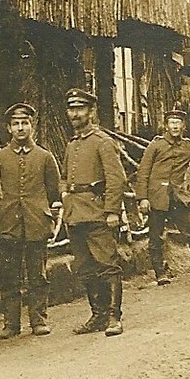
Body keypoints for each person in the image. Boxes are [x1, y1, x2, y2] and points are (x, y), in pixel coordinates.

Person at [61, 87, 129, 335]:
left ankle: (114, 317)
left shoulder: (103, 142)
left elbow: (116, 178)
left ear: (91, 111)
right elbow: (65, 176)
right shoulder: (72, 145)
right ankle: (97, 315)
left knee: (107, 264)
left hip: (97, 212)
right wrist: (65, 194)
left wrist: (111, 211)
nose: (75, 114)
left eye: (80, 108)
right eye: (72, 109)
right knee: (84, 266)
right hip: (75, 213)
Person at [0, 103, 62, 338]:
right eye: (15, 124)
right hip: (7, 223)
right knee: (9, 275)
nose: (20, 128)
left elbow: (54, 193)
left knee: (38, 275)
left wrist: (49, 215)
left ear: (32, 126)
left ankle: (39, 320)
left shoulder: (45, 157)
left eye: (25, 123)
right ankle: (11, 324)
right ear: (9, 128)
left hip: (36, 223)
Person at [135, 106, 190, 285]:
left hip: (178, 198)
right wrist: (143, 198)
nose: (175, 126)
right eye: (172, 123)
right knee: (156, 236)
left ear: (183, 126)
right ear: (166, 125)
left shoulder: (188, 146)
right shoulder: (156, 145)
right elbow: (143, 172)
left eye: (178, 123)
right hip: (156, 198)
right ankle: (160, 273)